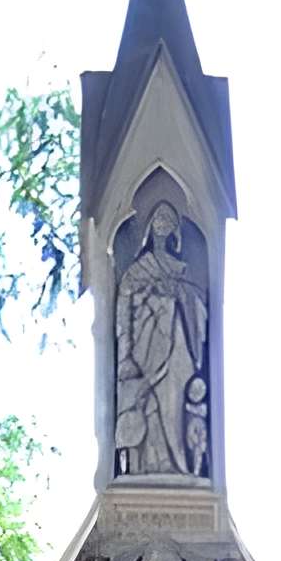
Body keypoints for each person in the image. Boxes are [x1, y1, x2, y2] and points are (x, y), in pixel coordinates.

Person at [114, 202, 208, 476]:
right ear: (150, 228)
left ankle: (178, 464)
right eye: (159, 221)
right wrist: (126, 356)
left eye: (169, 222)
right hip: (146, 349)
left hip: (176, 347)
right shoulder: (137, 270)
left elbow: (196, 303)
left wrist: (176, 294)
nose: (163, 227)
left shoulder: (180, 269)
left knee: (173, 403)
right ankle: (146, 466)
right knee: (148, 405)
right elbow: (124, 308)